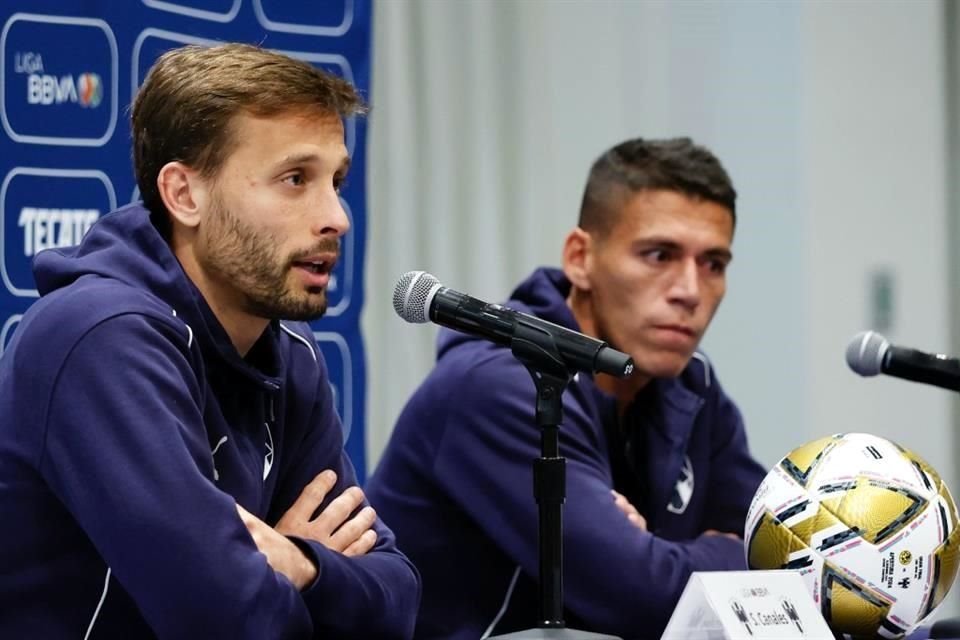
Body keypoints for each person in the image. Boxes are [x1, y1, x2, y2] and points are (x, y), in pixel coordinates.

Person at [0, 43, 419, 638]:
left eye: (337, 181)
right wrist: (299, 579)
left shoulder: (289, 353)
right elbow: (224, 619)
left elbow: (397, 600)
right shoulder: (98, 338)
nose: (336, 217)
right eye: (295, 178)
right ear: (183, 195)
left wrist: (300, 562)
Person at [366, 137, 767, 639]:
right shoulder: (497, 385)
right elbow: (640, 598)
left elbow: (784, 551)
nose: (689, 291)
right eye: (659, 254)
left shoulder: (692, 385)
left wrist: (665, 556)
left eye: (713, 264)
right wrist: (724, 552)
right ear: (580, 257)